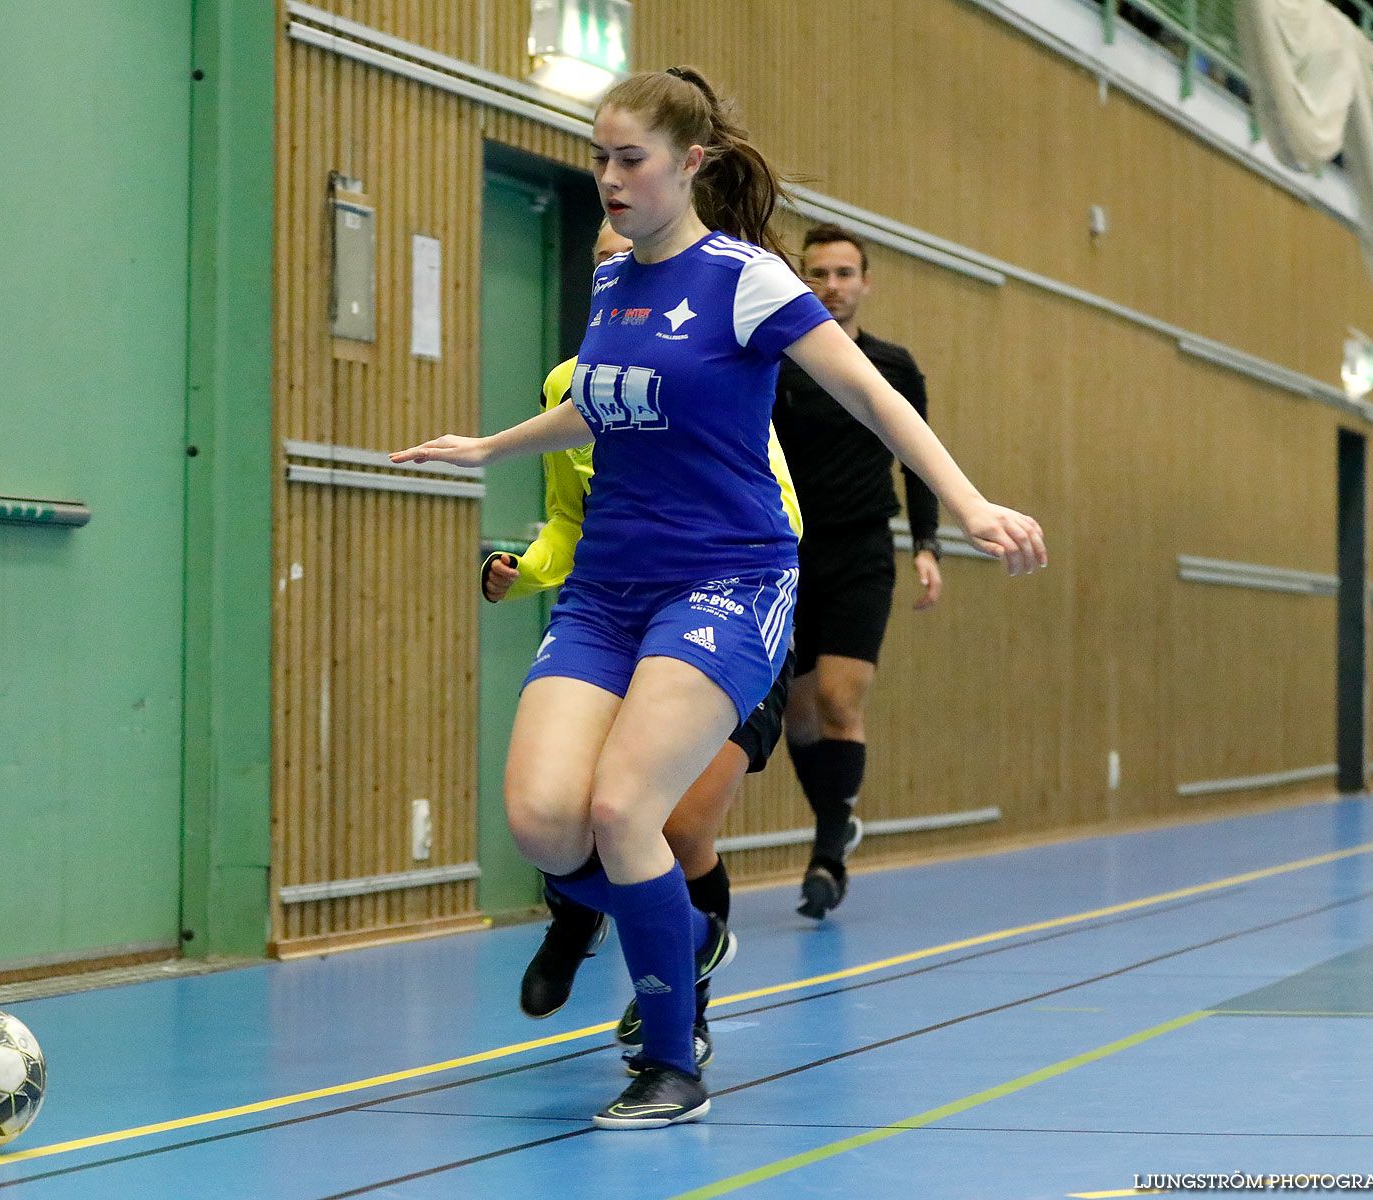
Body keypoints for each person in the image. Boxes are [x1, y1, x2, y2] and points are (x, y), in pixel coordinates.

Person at [393, 66, 1045, 1130]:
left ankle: (668, 1062)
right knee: (549, 827)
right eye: (599, 157)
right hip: (608, 587)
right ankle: (684, 931)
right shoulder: (611, 283)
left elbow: (871, 394)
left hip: (729, 579)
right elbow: (603, 407)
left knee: (623, 809)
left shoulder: (745, 281)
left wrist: (963, 504)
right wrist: (491, 444)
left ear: (689, 165)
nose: (608, 178)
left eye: (629, 159)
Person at [486, 219, 801, 1074]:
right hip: (615, 611)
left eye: (637, 250)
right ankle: (654, 932)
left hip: (725, 609)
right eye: (604, 254)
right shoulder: (571, 386)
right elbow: (565, 524)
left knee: (671, 822)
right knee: (563, 816)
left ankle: (678, 1024)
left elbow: (775, 514)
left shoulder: (712, 372)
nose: (621, 265)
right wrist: (525, 569)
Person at [773, 223, 941, 920]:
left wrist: (927, 543)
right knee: (799, 714)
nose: (832, 286)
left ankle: (826, 854)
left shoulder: (893, 367)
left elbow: (919, 457)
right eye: (818, 273)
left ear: (864, 284)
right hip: (785, 553)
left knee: (841, 700)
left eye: (845, 273)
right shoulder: (777, 363)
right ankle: (836, 819)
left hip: (861, 552)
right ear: (802, 282)